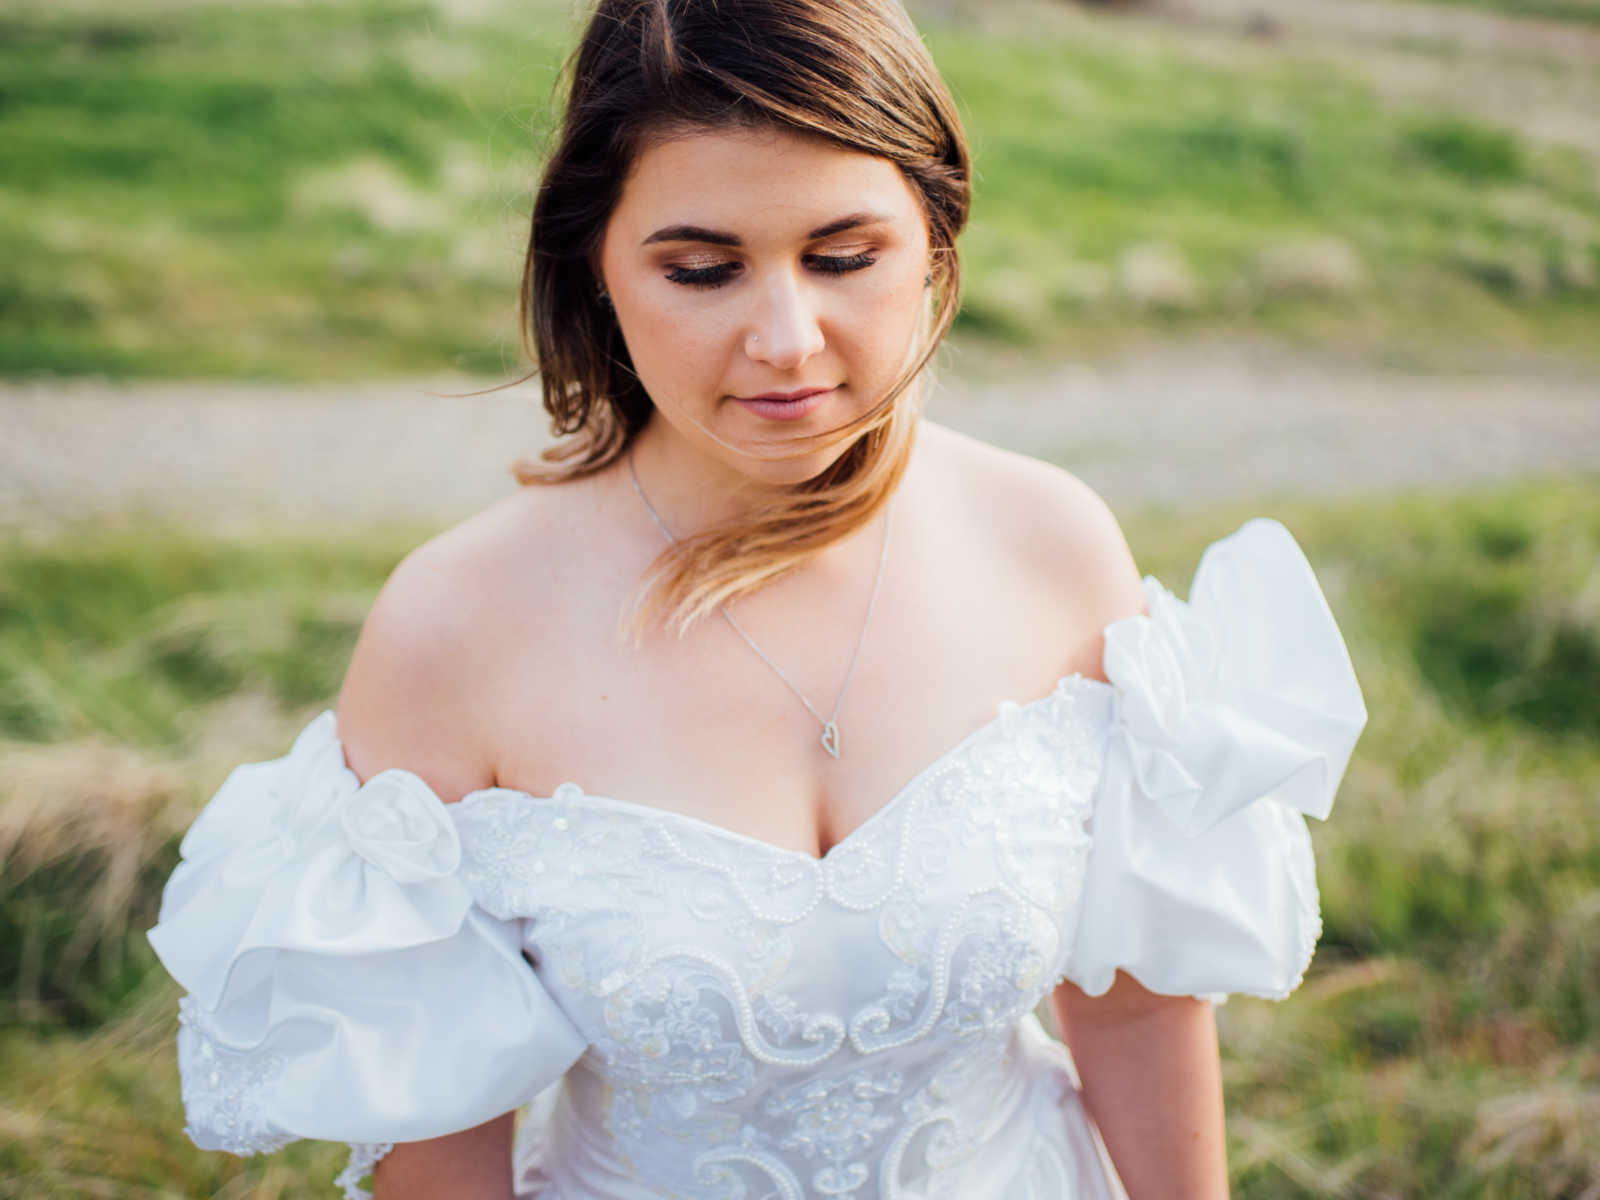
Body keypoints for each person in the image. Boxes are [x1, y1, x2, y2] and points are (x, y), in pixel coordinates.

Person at [147, 1, 1368, 1196]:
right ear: (599, 271)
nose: (787, 338)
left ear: (935, 241)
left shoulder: (1050, 544)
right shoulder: (452, 631)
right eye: (701, 270)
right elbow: (437, 1137)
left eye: (844, 257)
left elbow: (1138, 1010)